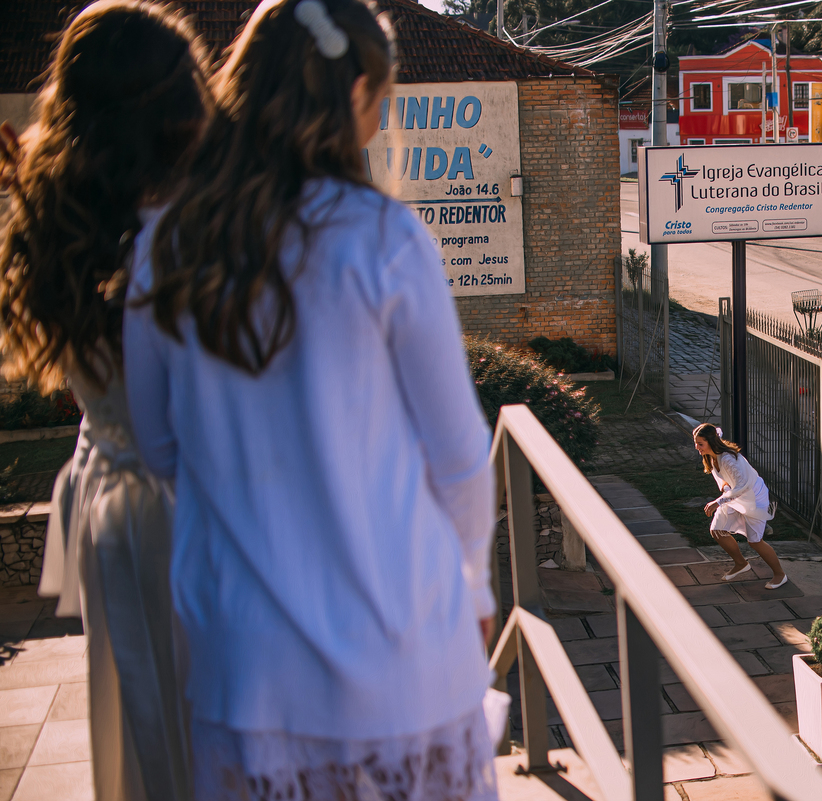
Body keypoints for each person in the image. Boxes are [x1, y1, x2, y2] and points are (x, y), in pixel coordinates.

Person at [123, 0, 499, 797]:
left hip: (249, 670)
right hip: (402, 648)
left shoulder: (165, 242)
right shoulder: (383, 238)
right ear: (355, 91)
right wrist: (476, 584)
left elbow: (155, 445)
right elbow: (462, 457)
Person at [0, 3, 210, 800]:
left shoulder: (70, 218)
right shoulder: (168, 240)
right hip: (177, 509)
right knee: (191, 732)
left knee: (144, 724)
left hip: (110, 493)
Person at [692, 423, 788, 589]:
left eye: (700, 444)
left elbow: (742, 485)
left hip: (754, 498)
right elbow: (724, 482)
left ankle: (780, 575)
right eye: (696, 443)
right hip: (735, 495)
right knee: (717, 530)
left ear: (711, 442)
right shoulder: (711, 456)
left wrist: (718, 502)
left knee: (755, 541)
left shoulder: (728, 459)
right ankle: (741, 564)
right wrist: (725, 491)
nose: (697, 447)